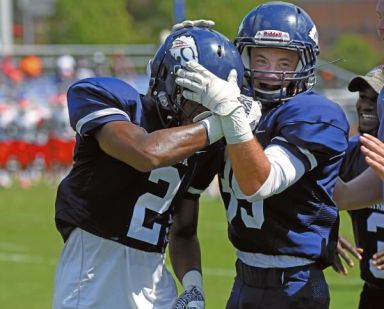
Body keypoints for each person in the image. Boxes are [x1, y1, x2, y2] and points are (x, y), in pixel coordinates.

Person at [52, 26, 247, 309]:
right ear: (172, 81)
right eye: (200, 92)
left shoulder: (205, 145)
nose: (209, 105)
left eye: (216, 97)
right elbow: (145, 153)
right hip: (95, 268)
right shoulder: (111, 98)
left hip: (155, 277)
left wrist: (194, 286)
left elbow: (184, 231)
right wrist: (222, 121)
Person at [176, 2, 349, 308]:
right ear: (243, 58)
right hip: (244, 277)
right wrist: (187, 53)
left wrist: (231, 114)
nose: (270, 73)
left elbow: (260, 183)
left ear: (304, 63)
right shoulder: (235, 107)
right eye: (261, 59)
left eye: (284, 63)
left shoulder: (314, 113)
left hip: (293, 286)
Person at [337, 65, 384, 308]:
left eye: (375, 99)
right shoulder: (353, 154)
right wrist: (325, 231)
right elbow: (319, 196)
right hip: (374, 293)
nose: (365, 104)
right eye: (362, 97)